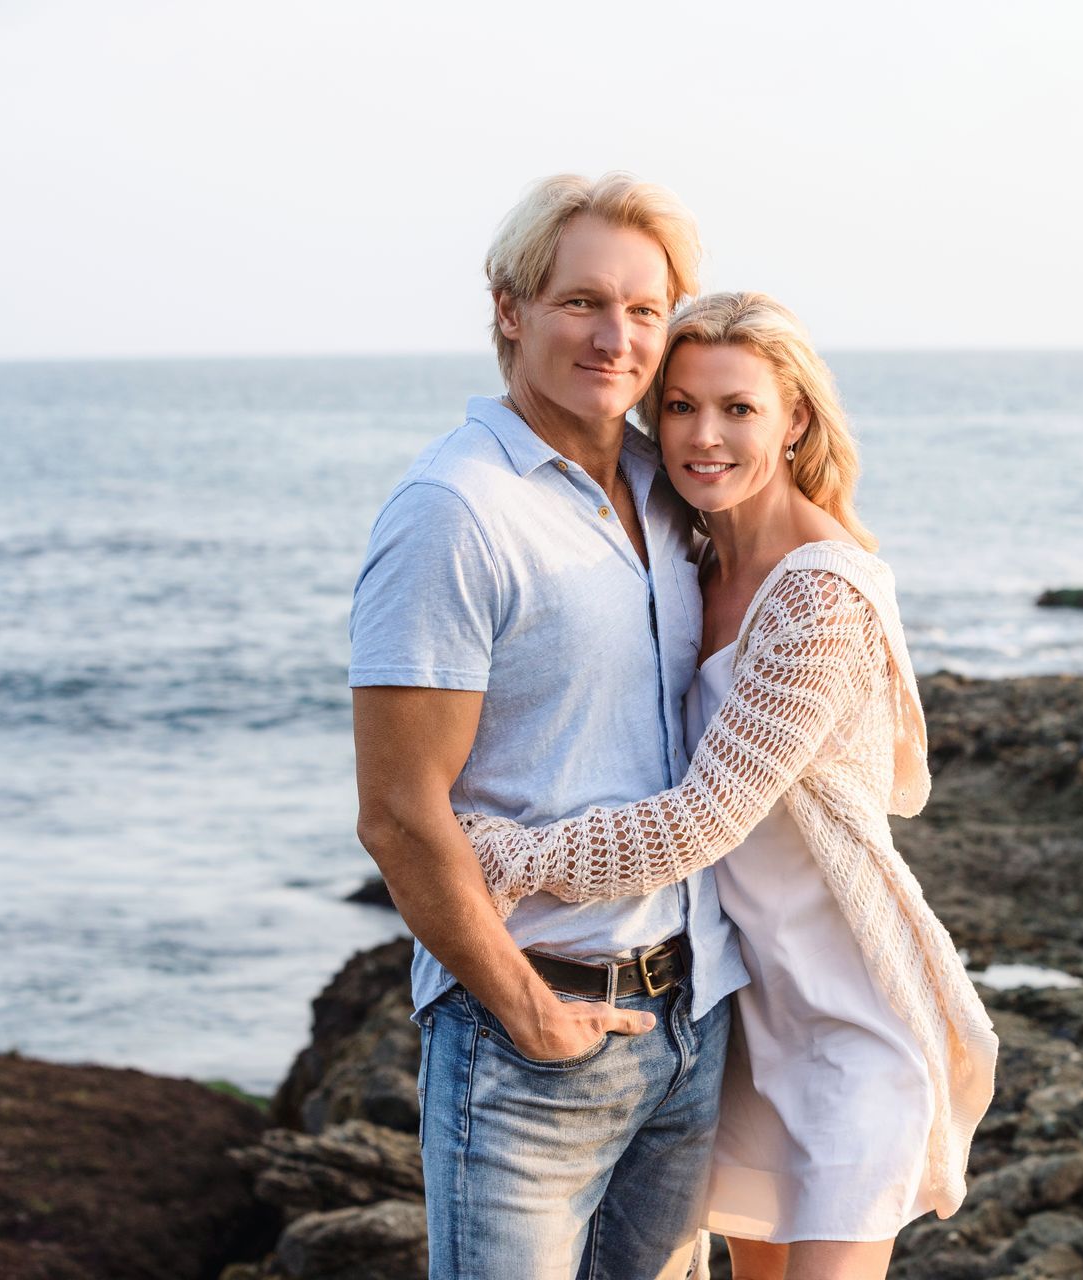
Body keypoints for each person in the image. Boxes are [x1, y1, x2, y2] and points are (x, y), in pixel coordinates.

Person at [457, 292, 1000, 1280]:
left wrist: (506, 856)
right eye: (679, 406)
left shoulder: (820, 592)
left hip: (845, 1025)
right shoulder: (686, 561)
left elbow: (703, 817)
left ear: (795, 419)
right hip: (732, 1019)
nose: (704, 436)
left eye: (739, 409)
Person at [348, 174, 751, 1280]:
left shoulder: (670, 485)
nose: (615, 335)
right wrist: (524, 1008)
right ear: (509, 309)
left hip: (689, 1023)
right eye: (582, 301)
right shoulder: (454, 511)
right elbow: (395, 809)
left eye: (643, 308)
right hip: (529, 1044)